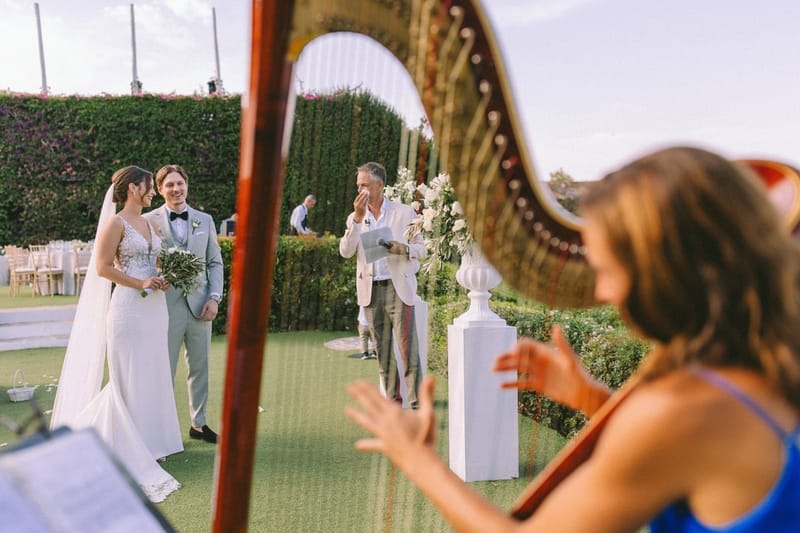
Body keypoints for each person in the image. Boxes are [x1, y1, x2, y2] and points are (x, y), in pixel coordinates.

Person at [346, 147, 800, 531]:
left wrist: (416, 456)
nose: (602, 293)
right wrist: (589, 396)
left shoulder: (681, 410)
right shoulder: (767, 358)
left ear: (667, 271)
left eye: (606, 271)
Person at [51, 166, 182, 503]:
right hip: (128, 309)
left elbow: (152, 260)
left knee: (152, 373)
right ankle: (125, 442)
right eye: (148, 185)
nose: (153, 189)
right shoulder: (116, 223)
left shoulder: (150, 222)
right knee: (130, 376)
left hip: (155, 308)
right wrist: (139, 282)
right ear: (131, 188)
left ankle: (151, 442)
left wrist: (159, 276)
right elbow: (103, 267)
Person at [145, 164, 224, 444]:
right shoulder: (148, 220)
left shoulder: (204, 219)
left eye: (180, 183)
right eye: (169, 185)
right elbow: (142, 262)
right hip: (164, 307)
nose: (176, 189)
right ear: (160, 189)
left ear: (187, 185)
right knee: (164, 368)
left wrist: (214, 298)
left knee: (200, 367)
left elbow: (214, 261)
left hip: (201, 306)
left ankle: (199, 424)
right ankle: (161, 427)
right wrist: (154, 277)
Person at [340, 162, 426, 408]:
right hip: (370, 292)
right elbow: (346, 252)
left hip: (398, 290)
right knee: (383, 353)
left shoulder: (405, 213)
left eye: (364, 185)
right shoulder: (355, 217)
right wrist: (356, 220)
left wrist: (404, 249)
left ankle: (419, 404)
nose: (360, 190)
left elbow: (422, 248)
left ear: (379, 185)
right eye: (358, 186)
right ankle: (393, 406)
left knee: (408, 349)